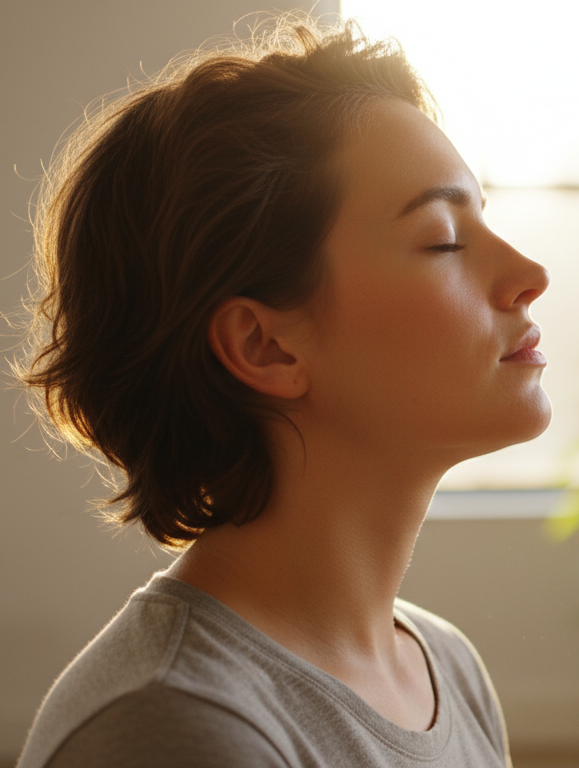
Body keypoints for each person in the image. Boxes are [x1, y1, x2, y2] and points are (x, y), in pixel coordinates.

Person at [13, 13, 549, 768]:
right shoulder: (176, 729)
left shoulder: (446, 669)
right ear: (264, 346)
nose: (532, 273)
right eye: (442, 241)